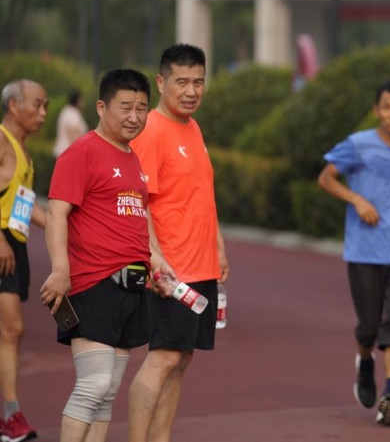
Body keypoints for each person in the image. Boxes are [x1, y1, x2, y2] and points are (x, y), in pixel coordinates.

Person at [38, 69, 174, 442]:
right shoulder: (82, 152)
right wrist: (61, 270)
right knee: (93, 386)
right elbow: (56, 212)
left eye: (142, 108)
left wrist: (156, 260)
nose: (134, 117)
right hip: (93, 284)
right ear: (101, 107)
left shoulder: (132, 158)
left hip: (131, 289)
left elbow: (139, 215)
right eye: (125, 107)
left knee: (108, 392)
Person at [127, 44, 229, 442]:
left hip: (200, 264)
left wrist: (218, 246)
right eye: (182, 82)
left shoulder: (192, 127)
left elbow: (201, 193)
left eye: (198, 82)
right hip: (171, 268)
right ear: (161, 82)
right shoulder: (151, 130)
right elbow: (139, 201)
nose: (191, 91)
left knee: (181, 358)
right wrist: (153, 257)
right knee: (164, 356)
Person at [317, 79, 390, 426]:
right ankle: (365, 360)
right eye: (387, 107)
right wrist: (357, 199)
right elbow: (326, 178)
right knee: (369, 327)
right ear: (377, 110)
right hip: (365, 251)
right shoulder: (357, 145)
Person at [0, 80, 48, 442]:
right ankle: (10, 416)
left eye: (45, 106)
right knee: (12, 330)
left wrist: (68, 228)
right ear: (14, 106)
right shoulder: (1, 140)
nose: (43, 113)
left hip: (14, 244)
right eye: (37, 104)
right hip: (2, 243)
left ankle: (10, 416)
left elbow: (24, 205)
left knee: (12, 333)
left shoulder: (24, 151)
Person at [52, 90, 88, 159]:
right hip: (67, 155)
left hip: (65, 153)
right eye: (82, 100)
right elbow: (73, 133)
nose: (83, 102)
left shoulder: (68, 111)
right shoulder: (71, 113)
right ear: (78, 101)